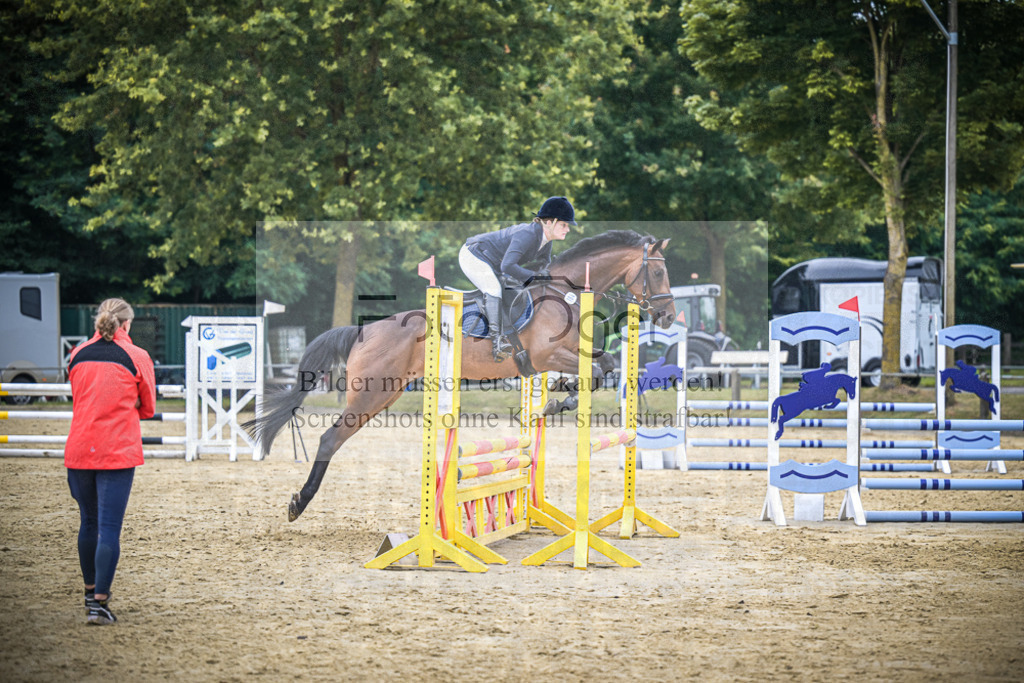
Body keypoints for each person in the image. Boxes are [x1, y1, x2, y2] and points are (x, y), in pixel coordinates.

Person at [64, 298, 155, 625]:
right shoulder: (138, 357)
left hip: (79, 449)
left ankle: (90, 595)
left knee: (88, 523)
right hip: (116, 451)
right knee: (109, 529)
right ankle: (100, 603)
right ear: (127, 324)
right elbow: (147, 408)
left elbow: (79, 398)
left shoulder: (76, 355)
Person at [460, 196, 576, 360]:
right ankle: (497, 342)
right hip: (473, 255)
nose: (567, 229)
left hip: (494, 262)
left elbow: (545, 269)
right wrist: (535, 277)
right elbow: (507, 266)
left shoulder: (545, 241)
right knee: (494, 289)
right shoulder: (526, 235)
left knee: (513, 288)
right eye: (564, 224)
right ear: (549, 222)